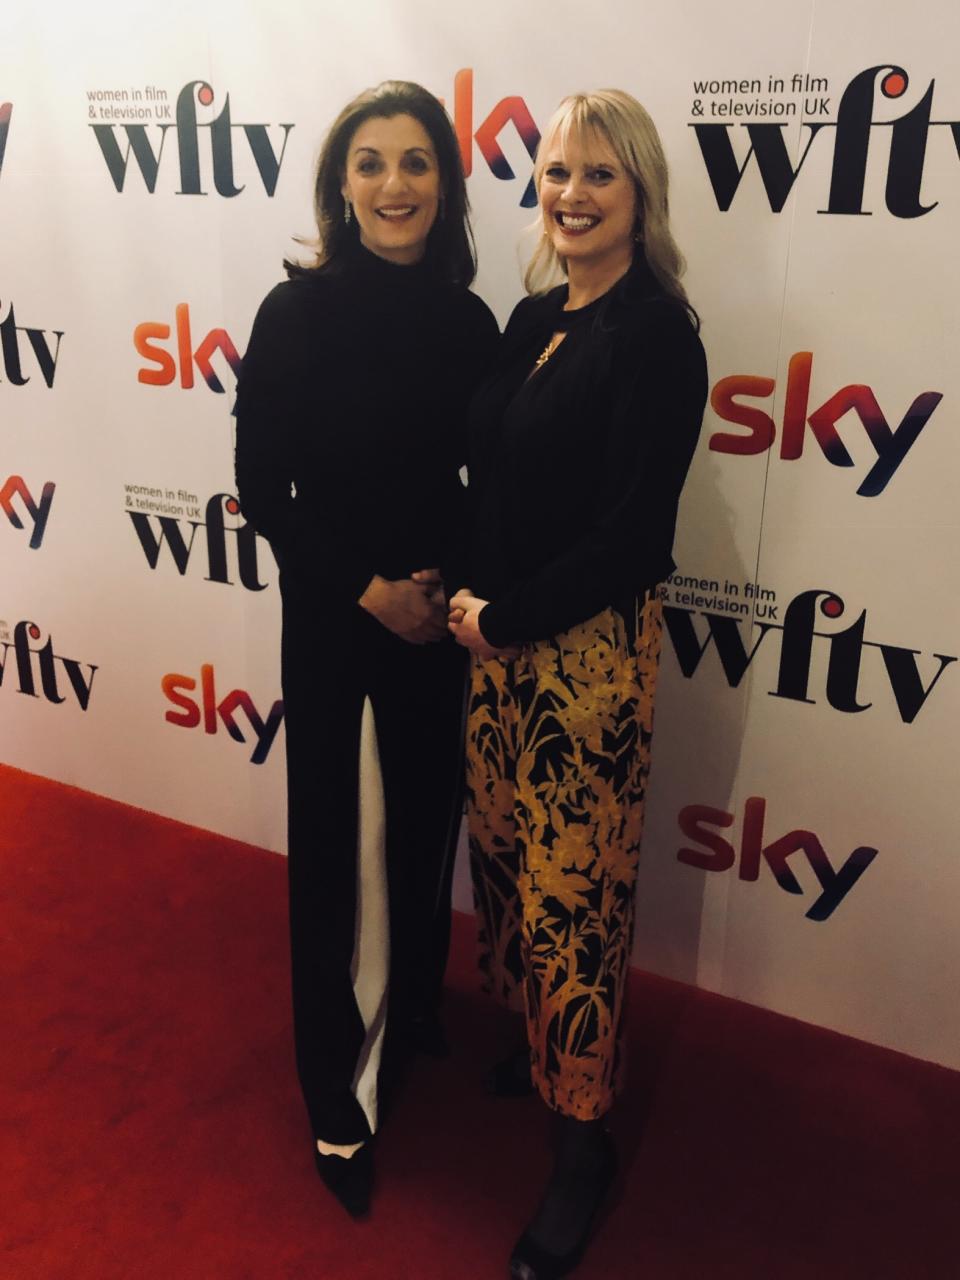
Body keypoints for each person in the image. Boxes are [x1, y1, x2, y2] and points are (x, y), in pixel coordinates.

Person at [448, 89, 707, 1279]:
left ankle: (582, 1141)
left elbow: (633, 536)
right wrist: (467, 594)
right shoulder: (533, 311)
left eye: (600, 175)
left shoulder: (658, 332)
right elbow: (491, 475)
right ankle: (539, 1048)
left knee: (574, 903)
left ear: (641, 192)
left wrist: (507, 615)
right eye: (556, 172)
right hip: (496, 650)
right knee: (505, 861)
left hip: (583, 661)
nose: (572, 194)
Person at [234, 80, 498, 1218]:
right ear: (341, 184)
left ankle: (416, 1010)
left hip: (437, 622)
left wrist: (451, 597)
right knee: (345, 848)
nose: (397, 185)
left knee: (426, 819)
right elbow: (263, 488)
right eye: (373, 163)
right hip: (342, 622)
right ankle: (333, 1091)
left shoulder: (471, 319)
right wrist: (367, 591)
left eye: (418, 162)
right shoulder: (296, 312)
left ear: (445, 183)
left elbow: (477, 480)